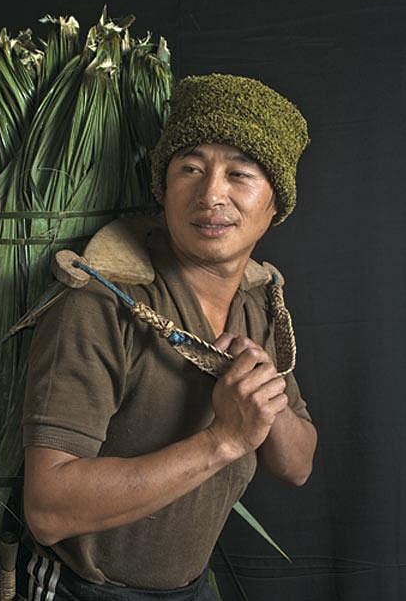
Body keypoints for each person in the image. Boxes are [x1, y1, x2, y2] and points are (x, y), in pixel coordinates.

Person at [20, 73, 317, 600]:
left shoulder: (259, 303)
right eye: (190, 168)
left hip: (189, 589)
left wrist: (264, 396)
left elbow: (296, 466)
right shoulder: (101, 302)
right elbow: (48, 509)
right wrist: (224, 439)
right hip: (83, 590)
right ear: (163, 187)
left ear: (276, 207)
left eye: (240, 174)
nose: (211, 194)